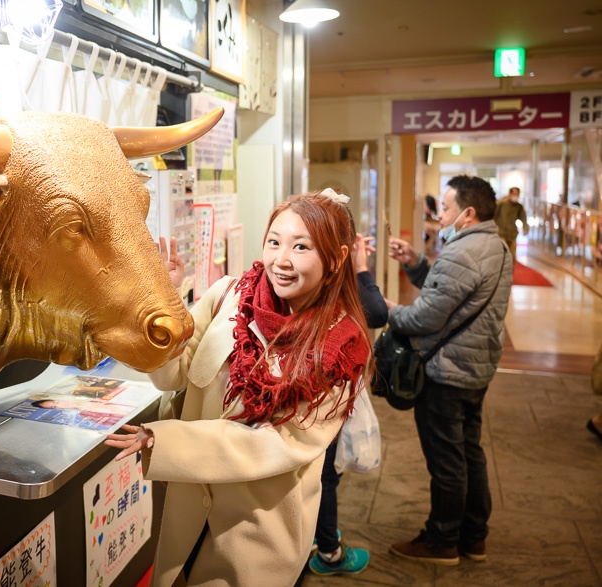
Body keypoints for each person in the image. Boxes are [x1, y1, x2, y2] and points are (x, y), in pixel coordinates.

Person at [105, 189, 372, 587]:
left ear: (336, 259)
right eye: (274, 241)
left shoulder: (341, 348)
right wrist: (162, 300)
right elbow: (173, 375)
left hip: (258, 529)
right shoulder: (230, 297)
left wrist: (167, 440)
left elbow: (278, 443)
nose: (281, 260)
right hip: (190, 507)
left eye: (301, 246)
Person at [385, 175, 512, 565]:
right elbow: (451, 294)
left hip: (447, 372)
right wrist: (416, 264)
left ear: (468, 213)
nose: (439, 214)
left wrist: (388, 311)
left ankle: (442, 541)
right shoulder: (496, 247)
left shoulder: (462, 251)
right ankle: (474, 537)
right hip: (476, 369)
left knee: (447, 461)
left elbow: (427, 316)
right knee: (469, 453)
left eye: (445, 207)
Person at [308, 233, 388, 576]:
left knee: (320, 471)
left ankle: (317, 535)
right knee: (323, 473)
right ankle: (328, 551)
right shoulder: (327, 280)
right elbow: (377, 311)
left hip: (319, 395)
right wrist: (361, 268)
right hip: (321, 396)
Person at [493, 186, 528, 263]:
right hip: (501, 233)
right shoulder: (501, 204)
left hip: (512, 234)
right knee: (502, 255)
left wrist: (525, 228)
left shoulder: (519, 207)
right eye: (515, 194)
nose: (516, 197)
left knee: (512, 256)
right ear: (510, 194)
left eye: (517, 195)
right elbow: (493, 216)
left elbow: (523, 218)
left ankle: (510, 274)